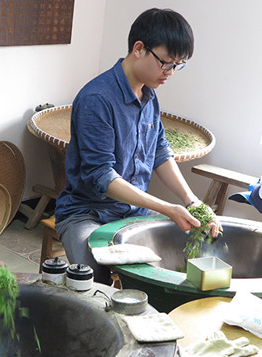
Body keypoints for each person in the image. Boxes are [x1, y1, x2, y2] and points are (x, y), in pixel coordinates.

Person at [55, 8, 221, 285]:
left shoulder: (150, 96)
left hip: (133, 214)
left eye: (177, 65)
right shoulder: (97, 99)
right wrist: (169, 208)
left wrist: (192, 202)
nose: (170, 72)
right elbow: (102, 177)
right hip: (87, 213)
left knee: (182, 260)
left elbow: (159, 152)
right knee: (95, 283)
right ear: (139, 48)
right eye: (166, 63)